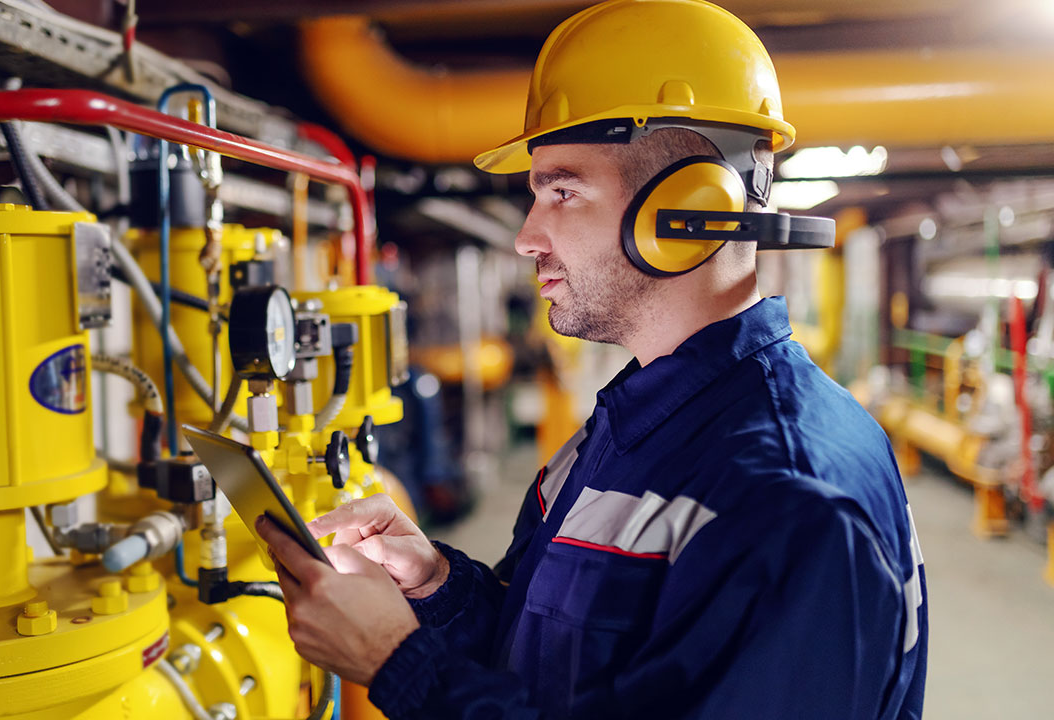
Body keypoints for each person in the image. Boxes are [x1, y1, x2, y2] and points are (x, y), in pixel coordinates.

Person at [256, 1, 928, 717]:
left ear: (685, 209)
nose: (526, 237)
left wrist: (395, 663)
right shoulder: (627, 424)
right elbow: (558, 663)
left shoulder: (788, 503)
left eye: (563, 191)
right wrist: (438, 588)